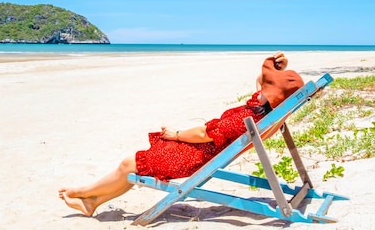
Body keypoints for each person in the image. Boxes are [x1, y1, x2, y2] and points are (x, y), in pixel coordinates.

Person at [58, 52, 304, 217]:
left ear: (270, 95)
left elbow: (203, 133)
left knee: (130, 164)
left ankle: (84, 193)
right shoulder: (262, 109)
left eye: (268, 84)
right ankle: (91, 202)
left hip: (195, 156)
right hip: (199, 151)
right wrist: (278, 64)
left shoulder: (245, 118)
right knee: (131, 166)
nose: (262, 85)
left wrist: (175, 135)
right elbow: (260, 80)